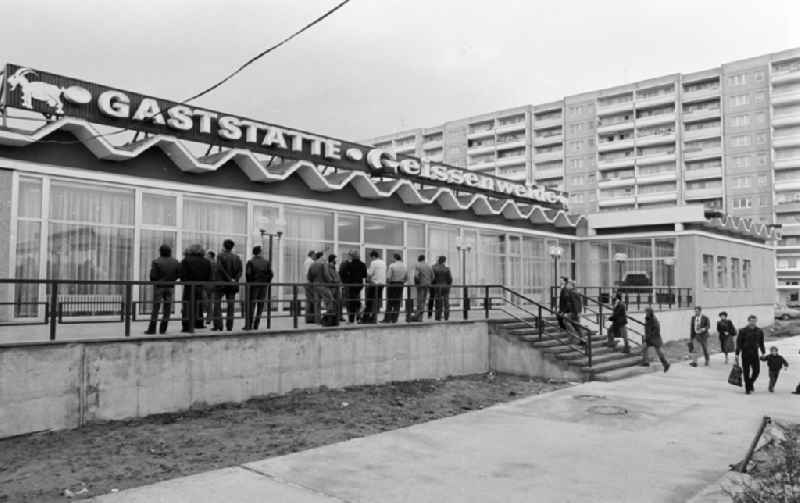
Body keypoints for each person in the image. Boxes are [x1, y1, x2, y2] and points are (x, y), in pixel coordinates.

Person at [145, 244, 181, 335]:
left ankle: (152, 329)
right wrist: (172, 280)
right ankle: (163, 329)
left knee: (156, 307)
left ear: (160, 251)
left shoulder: (156, 261)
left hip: (159, 286)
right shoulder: (175, 262)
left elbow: (153, 276)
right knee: (167, 308)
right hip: (170, 286)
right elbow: (178, 274)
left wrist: (157, 281)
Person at [180, 244, 211, 332]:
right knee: (199, 305)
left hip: (189, 286)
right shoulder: (206, 261)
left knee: (187, 305)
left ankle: (186, 325)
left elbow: (183, 275)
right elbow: (208, 275)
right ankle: (199, 323)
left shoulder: (186, 260)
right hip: (200, 286)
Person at [735, 315, 766, 394]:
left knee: (757, 371)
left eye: (754, 321)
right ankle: (747, 389)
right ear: (748, 321)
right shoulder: (743, 331)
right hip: (745, 353)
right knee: (746, 372)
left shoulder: (759, 331)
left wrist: (763, 352)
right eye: (751, 321)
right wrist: (737, 354)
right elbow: (738, 343)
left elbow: (761, 343)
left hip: (755, 353)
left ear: (756, 321)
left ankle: (750, 383)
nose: (753, 322)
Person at [244, 245, 273, 330]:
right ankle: (256, 324)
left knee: (251, 305)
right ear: (260, 252)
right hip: (263, 286)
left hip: (253, 286)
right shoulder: (266, 262)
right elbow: (271, 274)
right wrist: (267, 282)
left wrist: (250, 283)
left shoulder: (250, 262)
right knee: (261, 305)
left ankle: (249, 325)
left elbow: (248, 274)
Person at [216, 239, 243, 332]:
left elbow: (220, 269)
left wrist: (228, 279)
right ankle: (229, 326)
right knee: (231, 306)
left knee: (217, 304)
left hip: (222, 284)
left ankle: (219, 325)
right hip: (233, 285)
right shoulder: (237, 257)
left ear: (224, 246)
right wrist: (234, 279)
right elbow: (240, 271)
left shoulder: (220, 256)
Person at [339, 249, 366, 323]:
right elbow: (364, 275)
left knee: (350, 302)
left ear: (352, 256)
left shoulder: (348, 264)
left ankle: (351, 319)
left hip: (350, 285)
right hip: (359, 285)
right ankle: (358, 316)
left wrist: (344, 281)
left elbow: (342, 273)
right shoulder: (363, 264)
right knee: (355, 299)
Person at [307, 251, 334, 324]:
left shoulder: (312, 264)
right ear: (321, 257)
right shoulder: (323, 264)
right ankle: (329, 319)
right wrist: (331, 281)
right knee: (330, 300)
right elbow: (326, 274)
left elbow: (309, 277)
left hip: (315, 286)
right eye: (324, 256)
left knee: (317, 303)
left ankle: (317, 320)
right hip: (323, 285)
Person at [641, 307, 670, 372]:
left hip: (654, 338)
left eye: (647, 312)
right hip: (649, 338)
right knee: (644, 347)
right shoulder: (648, 318)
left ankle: (666, 363)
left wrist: (650, 335)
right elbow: (647, 327)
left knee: (658, 351)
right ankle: (646, 362)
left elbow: (656, 328)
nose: (645, 313)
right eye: (645, 312)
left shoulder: (654, 319)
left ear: (650, 312)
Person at [362, 250, 386, 324]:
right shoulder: (383, 262)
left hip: (374, 284)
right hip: (381, 284)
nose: (371, 259)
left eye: (371, 257)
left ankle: (366, 318)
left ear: (373, 256)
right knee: (377, 301)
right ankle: (374, 317)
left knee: (369, 301)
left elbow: (369, 273)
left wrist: (366, 271)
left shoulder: (373, 262)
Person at [383, 253, 407, 323]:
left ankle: (387, 319)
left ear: (395, 258)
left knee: (390, 302)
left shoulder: (392, 265)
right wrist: (401, 281)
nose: (391, 259)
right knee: (397, 302)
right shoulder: (404, 266)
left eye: (392, 258)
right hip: (400, 285)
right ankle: (394, 319)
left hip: (392, 284)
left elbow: (388, 277)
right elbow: (406, 278)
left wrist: (387, 283)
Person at [413, 255, 434, 322]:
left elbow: (416, 276)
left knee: (420, 301)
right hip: (427, 285)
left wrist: (417, 283)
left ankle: (417, 317)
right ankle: (419, 318)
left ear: (419, 259)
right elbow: (433, 276)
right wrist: (429, 281)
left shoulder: (418, 265)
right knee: (423, 301)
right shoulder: (429, 266)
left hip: (421, 285)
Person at [431, 256, 453, 321]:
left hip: (437, 287)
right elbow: (450, 279)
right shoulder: (447, 269)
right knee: (446, 302)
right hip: (446, 287)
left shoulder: (434, 268)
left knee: (438, 302)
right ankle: (446, 316)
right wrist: (448, 285)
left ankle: (438, 317)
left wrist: (434, 285)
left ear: (438, 260)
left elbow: (433, 279)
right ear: (444, 261)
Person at [204, 250, 220, 327]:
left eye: (207, 255)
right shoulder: (217, 263)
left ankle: (209, 318)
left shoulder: (207, 263)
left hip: (207, 283)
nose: (205, 256)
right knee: (211, 302)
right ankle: (210, 318)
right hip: (215, 283)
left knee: (207, 302)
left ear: (210, 255)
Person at [328, 254, 343, 324]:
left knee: (338, 302)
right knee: (333, 302)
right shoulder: (329, 267)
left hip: (336, 287)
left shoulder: (333, 267)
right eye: (335, 259)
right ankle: (334, 317)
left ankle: (338, 316)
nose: (336, 261)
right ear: (332, 259)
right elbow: (332, 277)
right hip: (333, 287)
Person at [303, 250, 316, 323]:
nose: (315, 256)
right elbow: (310, 273)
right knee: (311, 301)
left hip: (307, 282)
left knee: (309, 301)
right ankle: (310, 318)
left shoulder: (306, 261)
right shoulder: (310, 262)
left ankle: (309, 318)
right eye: (314, 255)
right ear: (312, 255)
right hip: (310, 283)